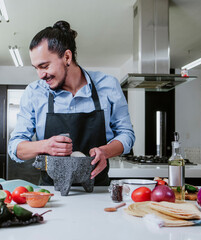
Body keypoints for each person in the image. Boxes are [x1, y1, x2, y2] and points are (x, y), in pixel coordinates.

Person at [8, 20, 135, 186]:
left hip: (97, 190)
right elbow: (15, 147)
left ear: (67, 57)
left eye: (44, 66)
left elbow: (126, 134)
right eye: (36, 68)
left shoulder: (108, 85)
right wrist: (45, 146)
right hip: (52, 193)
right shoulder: (34, 93)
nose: (40, 75)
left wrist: (105, 151)